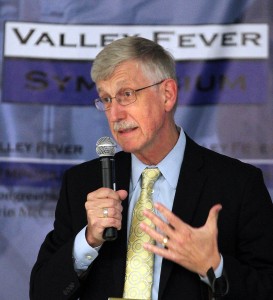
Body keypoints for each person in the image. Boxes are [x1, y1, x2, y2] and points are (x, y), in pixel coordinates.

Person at [30, 36, 273, 300]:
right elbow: (42, 293)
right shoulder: (83, 183)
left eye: (126, 95)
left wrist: (213, 266)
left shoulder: (238, 184)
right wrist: (88, 240)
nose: (115, 115)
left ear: (167, 95)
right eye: (107, 99)